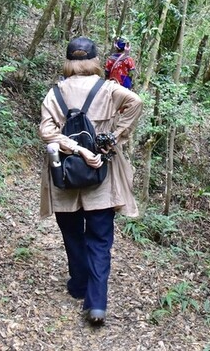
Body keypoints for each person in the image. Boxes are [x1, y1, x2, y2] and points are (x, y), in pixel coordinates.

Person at [38, 36, 143, 326]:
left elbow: (47, 133)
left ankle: (78, 283)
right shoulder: (109, 89)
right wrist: (114, 138)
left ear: (68, 61)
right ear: (96, 60)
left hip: (65, 174)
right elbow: (136, 101)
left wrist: (74, 148)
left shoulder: (55, 93)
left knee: (72, 233)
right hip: (101, 175)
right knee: (99, 239)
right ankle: (96, 303)